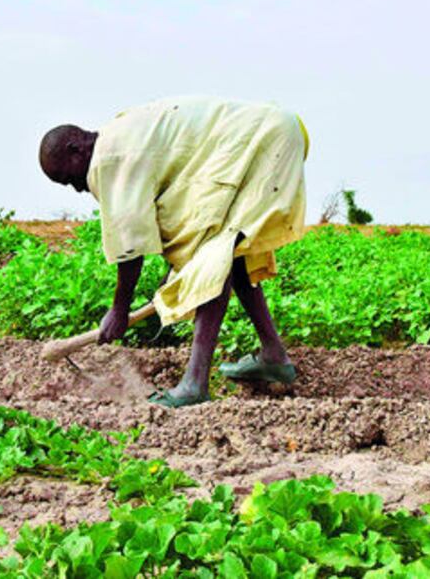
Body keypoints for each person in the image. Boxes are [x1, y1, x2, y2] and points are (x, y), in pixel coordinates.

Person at [38, 96, 309, 407]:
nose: (76, 187)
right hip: (268, 133)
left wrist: (119, 310)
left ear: (76, 148)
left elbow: (130, 249)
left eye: (69, 178)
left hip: (260, 141)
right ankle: (273, 355)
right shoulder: (118, 136)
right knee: (229, 253)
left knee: (212, 256)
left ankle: (194, 383)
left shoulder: (108, 161)